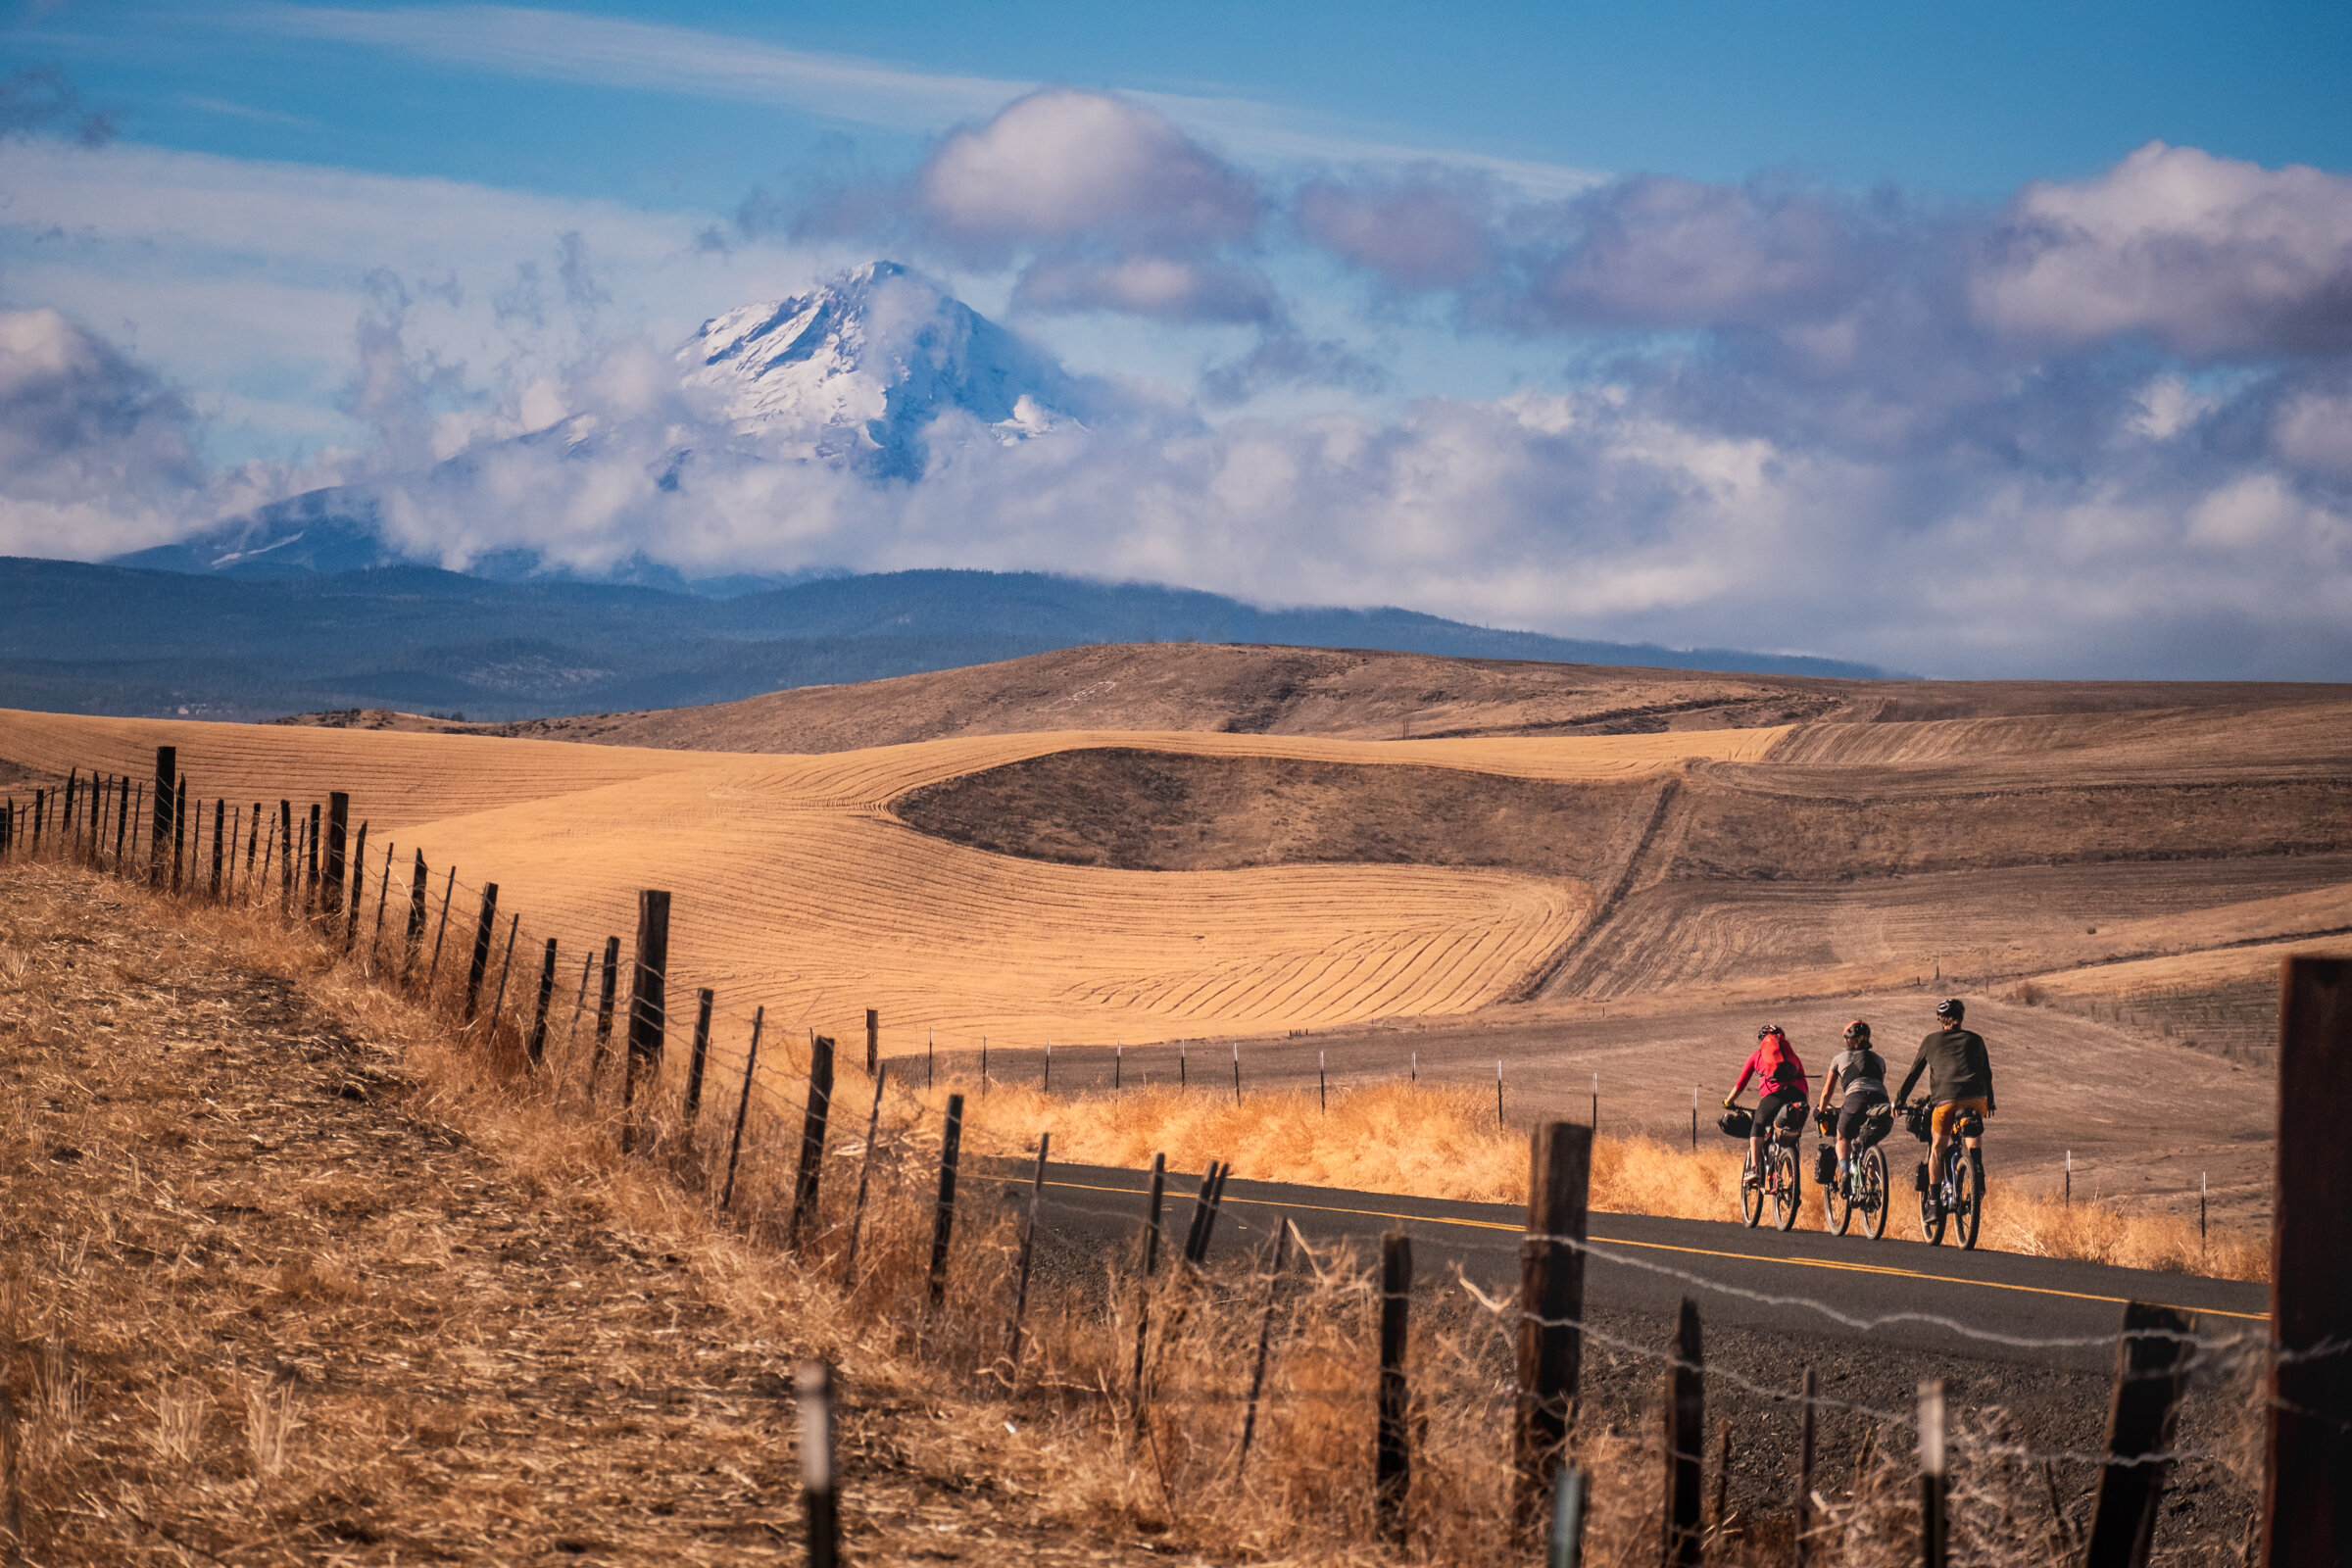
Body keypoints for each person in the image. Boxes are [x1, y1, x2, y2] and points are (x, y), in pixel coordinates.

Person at [1894, 999, 1995, 1215]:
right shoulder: (1976, 1039)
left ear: (1941, 1020)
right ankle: (1976, 1167)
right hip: (1978, 1099)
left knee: (1938, 1149)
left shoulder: (1931, 1041)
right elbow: (1986, 1072)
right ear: (1962, 1017)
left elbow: (1914, 1074)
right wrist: (1991, 1101)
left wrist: (1900, 1100)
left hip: (1946, 1101)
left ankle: (1932, 1203)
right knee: (1972, 1132)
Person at [1725, 1024, 1809, 1189]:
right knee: (1790, 1135)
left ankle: (1754, 1169)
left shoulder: (1757, 1056)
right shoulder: (1794, 1058)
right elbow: (1804, 1086)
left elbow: (1740, 1085)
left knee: (1758, 1123)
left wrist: (1728, 1102)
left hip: (1775, 1096)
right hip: (1799, 1098)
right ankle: (1793, 1181)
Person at [1822, 1020, 1889, 1194]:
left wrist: (1820, 1109)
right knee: (1871, 1143)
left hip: (1855, 1099)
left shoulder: (1838, 1059)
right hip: (1882, 1102)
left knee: (1842, 1137)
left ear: (1847, 1040)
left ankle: (1845, 1172)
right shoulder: (1879, 1060)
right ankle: (1874, 1188)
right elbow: (1877, 1083)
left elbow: (1827, 1091)